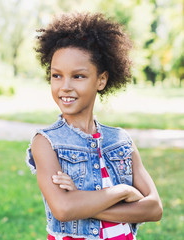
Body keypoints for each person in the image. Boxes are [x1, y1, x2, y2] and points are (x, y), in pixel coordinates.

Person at [25, 12, 162, 240]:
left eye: (78, 76)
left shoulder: (121, 141)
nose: (64, 86)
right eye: (56, 75)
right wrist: (123, 191)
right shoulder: (46, 142)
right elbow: (63, 209)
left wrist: (81, 198)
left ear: (101, 80)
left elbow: (154, 208)